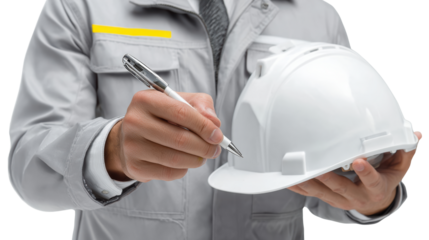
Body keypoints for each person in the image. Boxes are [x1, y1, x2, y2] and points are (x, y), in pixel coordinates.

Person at [8, 0, 423, 239]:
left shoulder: (318, 16)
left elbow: (324, 183)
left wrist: (372, 198)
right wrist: (111, 152)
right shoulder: (80, 4)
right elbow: (29, 170)